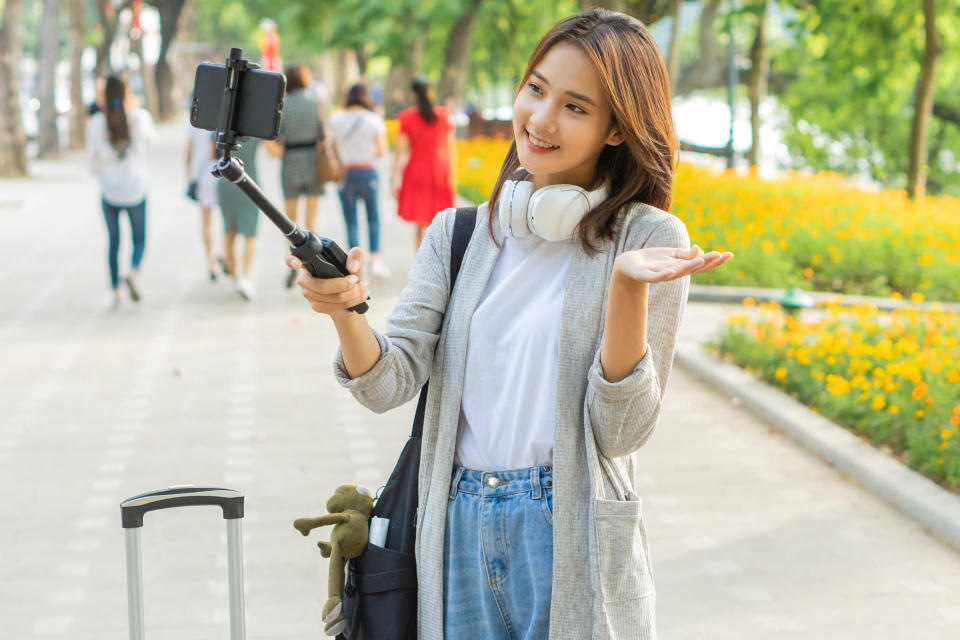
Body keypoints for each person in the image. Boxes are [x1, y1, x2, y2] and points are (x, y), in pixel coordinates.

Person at [286, 10, 734, 640]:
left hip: (566, 524)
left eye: (576, 107)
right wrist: (345, 310)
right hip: (455, 524)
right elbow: (388, 384)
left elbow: (621, 431)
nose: (542, 119)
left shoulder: (648, 238)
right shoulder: (460, 235)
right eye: (537, 89)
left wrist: (626, 290)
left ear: (615, 129)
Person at [85, 75, 154, 307]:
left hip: (109, 191)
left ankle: (116, 290)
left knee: (114, 241)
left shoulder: (96, 123)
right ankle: (133, 273)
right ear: (127, 94)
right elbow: (147, 147)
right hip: (136, 187)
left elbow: (92, 162)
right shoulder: (140, 118)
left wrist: (105, 173)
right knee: (139, 239)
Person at [263, 64, 326, 288]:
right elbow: (324, 135)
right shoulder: (315, 103)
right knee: (312, 220)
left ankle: (293, 262)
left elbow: (277, 141)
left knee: (290, 222)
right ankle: (314, 262)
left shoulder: (283, 106)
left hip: (290, 163)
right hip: (312, 162)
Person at [329, 83, 390, 278]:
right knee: (373, 218)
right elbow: (382, 151)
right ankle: (375, 259)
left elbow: (331, 147)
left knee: (351, 220)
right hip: (367, 171)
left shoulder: (336, 119)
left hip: (345, 174)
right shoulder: (373, 120)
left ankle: (354, 262)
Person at [391, 77, 456, 249]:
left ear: (412, 95)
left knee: (420, 223)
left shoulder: (406, 117)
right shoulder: (444, 115)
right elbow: (451, 149)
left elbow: (399, 151)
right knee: (438, 221)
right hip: (438, 171)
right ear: (430, 93)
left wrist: (393, 177)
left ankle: (420, 264)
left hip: (416, 172)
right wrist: (452, 176)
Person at [218, 139, 261, 301]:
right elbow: (274, 151)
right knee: (250, 233)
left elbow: (211, 153)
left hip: (226, 182)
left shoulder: (221, 126)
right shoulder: (254, 129)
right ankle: (246, 276)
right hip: (248, 180)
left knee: (229, 231)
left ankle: (235, 277)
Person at [186, 121, 221, 281]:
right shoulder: (225, 115)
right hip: (223, 172)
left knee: (207, 223)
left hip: (201, 175)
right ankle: (226, 254)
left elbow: (189, 150)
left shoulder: (195, 119)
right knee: (227, 220)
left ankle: (212, 261)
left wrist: (188, 177)